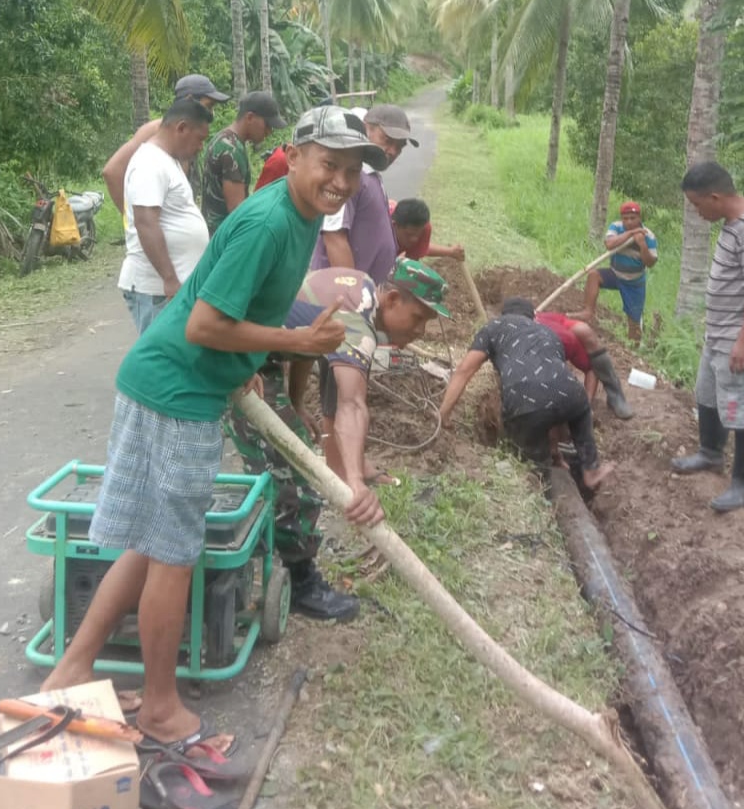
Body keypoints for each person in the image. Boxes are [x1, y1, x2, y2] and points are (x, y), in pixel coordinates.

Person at [40, 105, 387, 755]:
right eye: (329, 164)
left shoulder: (300, 218)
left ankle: (73, 669)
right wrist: (289, 340)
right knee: (174, 551)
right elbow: (202, 323)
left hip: (180, 381)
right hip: (178, 390)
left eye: (352, 172)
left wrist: (248, 362)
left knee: (150, 544)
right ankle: (162, 708)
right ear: (297, 153)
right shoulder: (268, 221)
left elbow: (239, 310)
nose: (340, 180)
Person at [226, 258, 450, 621]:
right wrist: (355, 482)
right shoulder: (357, 323)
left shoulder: (357, 287)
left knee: (279, 462)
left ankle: (261, 553)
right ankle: (299, 583)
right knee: (297, 475)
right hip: (233, 359)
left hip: (254, 351)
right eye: (419, 317)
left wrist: (297, 403)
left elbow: (308, 342)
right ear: (392, 300)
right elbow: (352, 403)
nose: (421, 331)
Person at [670, 161, 744, 513]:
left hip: (738, 339)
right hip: (718, 334)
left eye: (698, 205)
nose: (697, 213)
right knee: (708, 394)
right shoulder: (732, 224)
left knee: (741, 406)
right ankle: (710, 453)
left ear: (715, 197)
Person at [439, 297, 613, 496]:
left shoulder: (492, 327)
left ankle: (542, 478)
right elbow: (550, 385)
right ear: (533, 317)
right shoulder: (547, 331)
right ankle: (590, 470)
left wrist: (443, 414)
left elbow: (464, 371)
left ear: (504, 315)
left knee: (533, 461)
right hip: (570, 393)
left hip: (523, 401)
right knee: (579, 412)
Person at [118, 99, 213, 334]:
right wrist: (169, 279)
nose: (201, 146)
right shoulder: (150, 163)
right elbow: (146, 222)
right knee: (161, 363)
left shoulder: (168, 160)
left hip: (168, 289)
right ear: (181, 128)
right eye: (199, 138)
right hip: (157, 291)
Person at [310, 104, 419, 283]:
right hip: (340, 297)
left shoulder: (371, 175)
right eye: (387, 140)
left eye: (400, 146)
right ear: (365, 128)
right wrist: (352, 296)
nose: (393, 151)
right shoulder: (348, 179)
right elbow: (334, 238)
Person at [103, 75, 230, 216]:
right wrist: (132, 220)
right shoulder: (155, 131)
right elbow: (112, 172)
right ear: (190, 100)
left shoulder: (189, 136)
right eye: (209, 106)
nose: (211, 113)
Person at [201, 91, 287, 235]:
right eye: (267, 125)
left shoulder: (223, 138)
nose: (269, 131)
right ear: (250, 118)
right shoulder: (232, 150)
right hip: (222, 236)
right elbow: (237, 212)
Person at [581, 201, 658, 343]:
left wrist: (642, 245)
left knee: (634, 323)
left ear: (639, 217)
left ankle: (633, 347)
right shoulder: (616, 227)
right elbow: (609, 244)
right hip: (615, 274)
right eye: (625, 218)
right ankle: (588, 311)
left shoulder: (648, 236)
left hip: (634, 282)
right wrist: (630, 234)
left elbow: (651, 263)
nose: (629, 221)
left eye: (632, 218)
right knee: (593, 275)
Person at [535, 310, 634, 420]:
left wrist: (586, 404)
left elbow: (590, 369)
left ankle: (615, 394)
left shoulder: (566, 340)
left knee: (584, 330)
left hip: (552, 325)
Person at [389, 198, 465, 262]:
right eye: (409, 234)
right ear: (395, 225)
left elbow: (411, 263)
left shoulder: (424, 227)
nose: (414, 239)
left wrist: (451, 252)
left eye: (418, 235)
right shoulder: (381, 232)